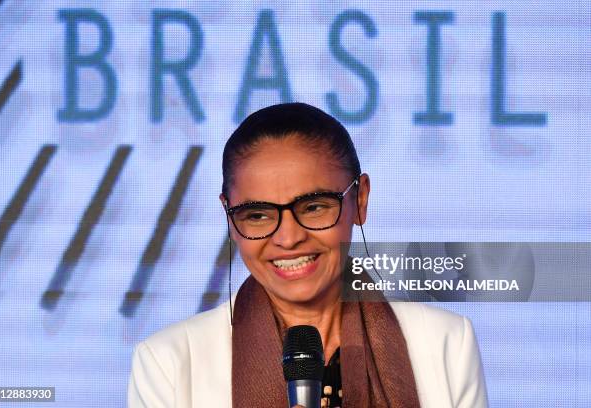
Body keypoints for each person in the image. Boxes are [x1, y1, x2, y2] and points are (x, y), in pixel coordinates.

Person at [127, 103, 488, 407]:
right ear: (228, 213)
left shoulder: (445, 343)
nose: (288, 238)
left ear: (359, 200)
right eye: (257, 215)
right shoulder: (170, 363)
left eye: (314, 207)